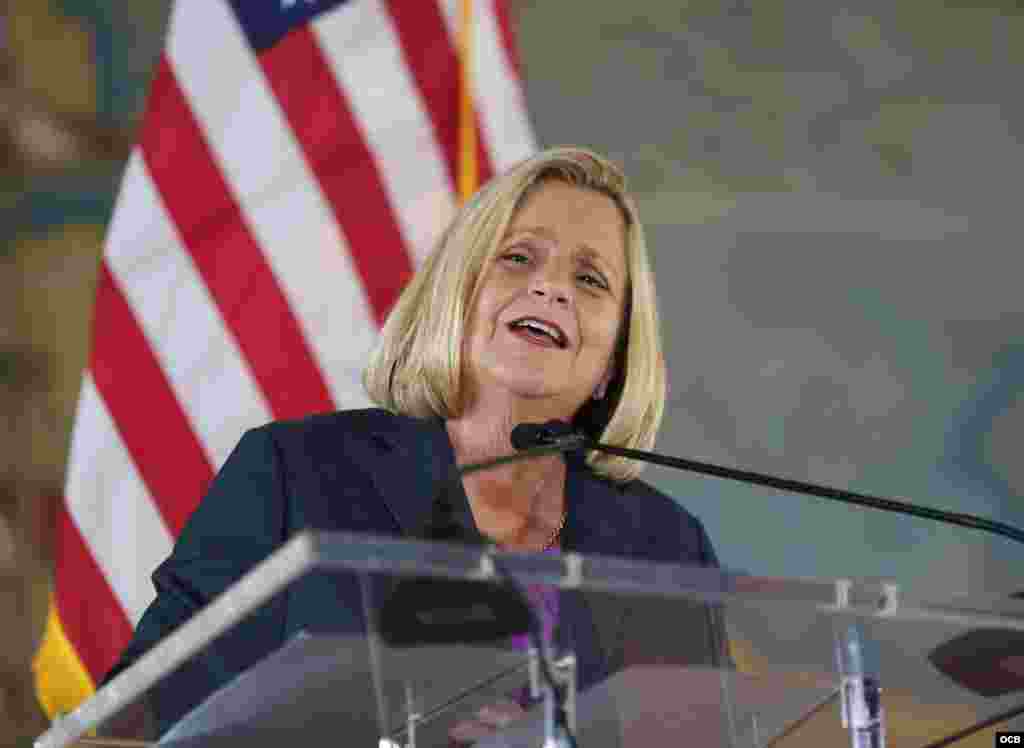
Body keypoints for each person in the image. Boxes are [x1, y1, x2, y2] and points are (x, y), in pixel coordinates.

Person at [103, 146, 729, 741]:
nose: (551, 288)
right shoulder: (294, 477)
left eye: (591, 278)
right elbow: (120, 737)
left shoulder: (668, 550)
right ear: (456, 297)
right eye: (517, 257)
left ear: (613, 361)